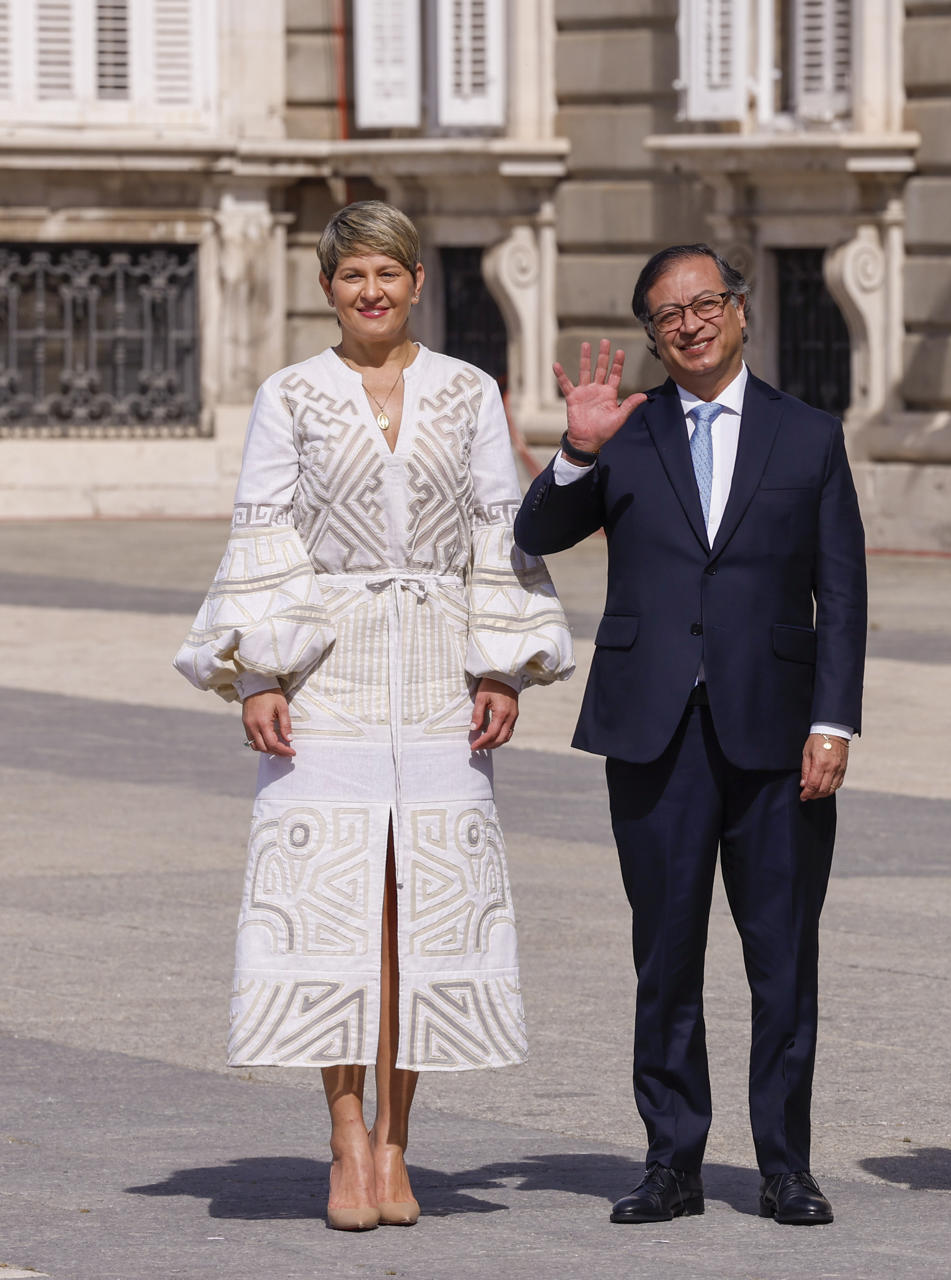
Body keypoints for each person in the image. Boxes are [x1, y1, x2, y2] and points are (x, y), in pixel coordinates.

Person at [173, 200, 574, 1232]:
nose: (372, 291)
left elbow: (500, 526)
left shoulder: (470, 390)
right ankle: (346, 1140)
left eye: (388, 273)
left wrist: (503, 668)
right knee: (333, 907)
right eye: (353, 275)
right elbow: (261, 530)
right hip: (328, 674)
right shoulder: (290, 395)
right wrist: (258, 672)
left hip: (441, 669)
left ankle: (400, 1143)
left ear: (415, 281)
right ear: (328, 288)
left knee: (419, 915)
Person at [513, 245, 867, 1228]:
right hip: (655, 729)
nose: (689, 324)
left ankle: (785, 1164)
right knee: (665, 953)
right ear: (651, 333)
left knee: (781, 958)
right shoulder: (626, 433)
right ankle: (672, 1159)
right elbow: (535, 532)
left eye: (705, 302)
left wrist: (834, 718)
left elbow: (841, 592)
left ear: (740, 311)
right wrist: (578, 447)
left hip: (781, 733)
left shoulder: (809, 436)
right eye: (667, 313)